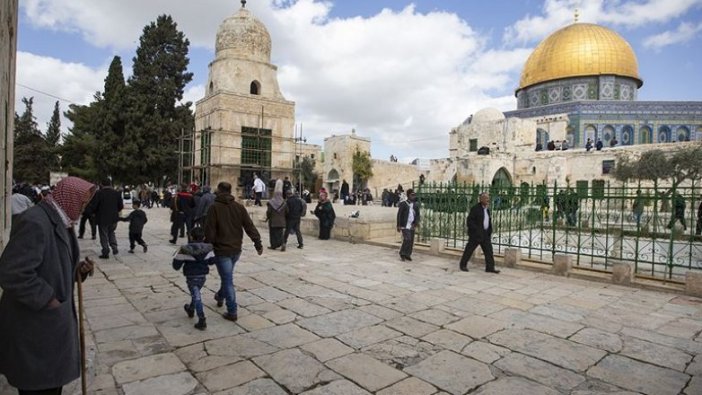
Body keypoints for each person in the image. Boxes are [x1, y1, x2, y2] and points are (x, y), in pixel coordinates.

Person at [0, 176, 96, 395]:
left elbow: (51, 264)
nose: (83, 209)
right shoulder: (35, 222)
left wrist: (77, 270)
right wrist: (48, 300)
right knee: (39, 388)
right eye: (82, 203)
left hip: (49, 330)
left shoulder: (61, 221)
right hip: (36, 328)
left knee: (52, 386)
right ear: (70, 198)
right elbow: (12, 272)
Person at [205, 182, 263, 322]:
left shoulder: (214, 208)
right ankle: (220, 296)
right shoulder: (239, 207)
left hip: (222, 249)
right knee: (227, 276)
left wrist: (207, 246)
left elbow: (210, 230)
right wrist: (257, 243)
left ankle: (232, 311)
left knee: (228, 279)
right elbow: (249, 226)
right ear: (230, 191)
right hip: (236, 249)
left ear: (219, 191)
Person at [173, 227, 216, 330]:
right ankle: (191, 309)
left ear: (191, 237)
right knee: (195, 293)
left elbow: (176, 266)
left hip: (191, 277)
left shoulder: (184, 250)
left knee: (197, 296)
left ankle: (202, 319)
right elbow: (212, 261)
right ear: (204, 237)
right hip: (202, 277)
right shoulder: (208, 248)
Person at [458, 192, 499, 273]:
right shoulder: (475, 209)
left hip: (485, 234)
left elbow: (488, 220)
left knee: (489, 251)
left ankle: (490, 268)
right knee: (469, 250)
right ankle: (463, 265)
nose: (488, 200)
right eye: (486, 198)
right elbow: (470, 221)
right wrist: (476, 230)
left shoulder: (487, 209)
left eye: (488, 198)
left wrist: (489, 230)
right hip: (476, 235)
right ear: (481, 199)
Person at [84, 178, 123, 259]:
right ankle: (114, 247)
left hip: (102, 218)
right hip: (113, 217)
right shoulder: (116, 193)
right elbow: (120, 206)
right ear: (110, 184)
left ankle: (105, 251)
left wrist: (90, 212)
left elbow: (94, 206)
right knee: (111, 232)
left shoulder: (99, 193)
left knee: (103, 234)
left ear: (102, 184)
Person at [396, 189, 420, 262]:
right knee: (407, 239)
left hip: (412, 225)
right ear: (408, 195)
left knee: (411, 241)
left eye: (414, 195)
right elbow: (399, 214)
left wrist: (415, 223)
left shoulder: (415, 205)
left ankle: (408, 254)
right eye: (412, 195)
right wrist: (398, 225)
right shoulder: (403, 204)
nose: (413, 196)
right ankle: (402, 253)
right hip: (404, 225)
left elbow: (418, 215)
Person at [266, 179, 288, 250]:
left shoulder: (271, 202)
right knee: (280, 233)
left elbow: (268, 212)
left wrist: (268, 217)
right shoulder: (284, 203)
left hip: (273, 221)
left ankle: (273, 245)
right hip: (281, 221)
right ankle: (282, 243)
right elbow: (287, 211)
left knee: (273, 234)